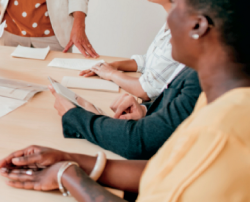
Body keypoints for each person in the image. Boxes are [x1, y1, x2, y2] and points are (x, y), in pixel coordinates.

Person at [0, 0, 250, 202]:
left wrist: (67, 174)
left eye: (181, 4)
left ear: (199, 27)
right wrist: (71, 158)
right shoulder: (228, 100)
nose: (170, 17)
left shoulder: (224, 129)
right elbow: (166, 170)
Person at [80, 0, 188, 101]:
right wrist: (113, 65)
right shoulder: (173, 21)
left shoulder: (181, 35)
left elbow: (145, 90)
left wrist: (111, 74)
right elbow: (148, 62)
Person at [53, 66, 200, 160]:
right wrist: (145, 110)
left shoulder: (202, 78)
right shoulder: (197, 69)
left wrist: (74, 116)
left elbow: (138, 141)